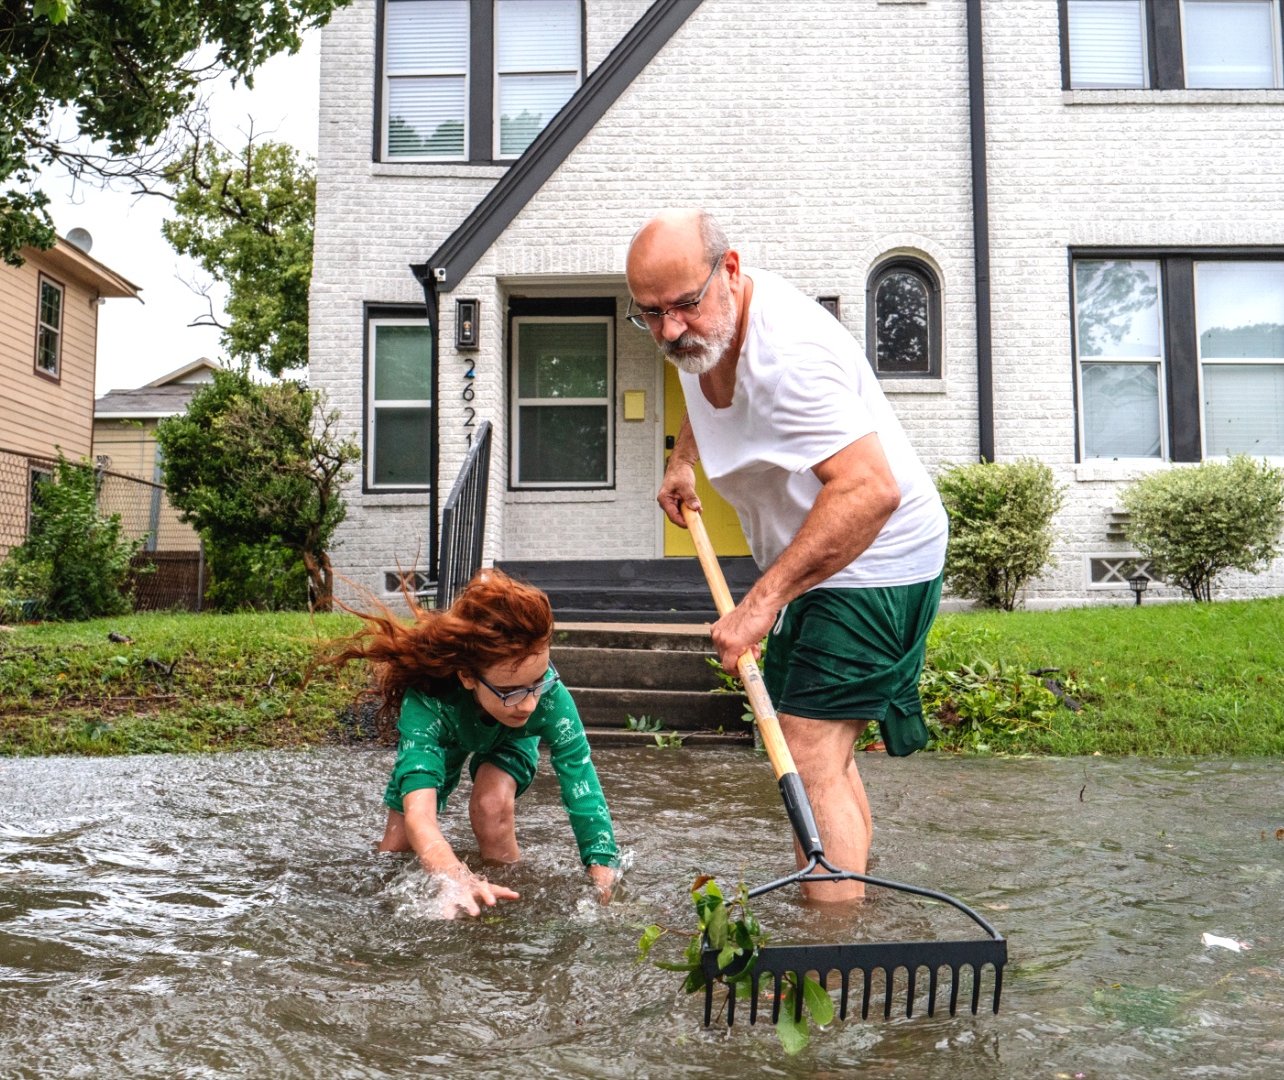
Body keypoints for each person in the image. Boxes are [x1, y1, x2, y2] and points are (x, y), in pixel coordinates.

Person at [626, 209, 949, 903]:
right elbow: (699, 378)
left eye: (683, 305)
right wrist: (686, 461)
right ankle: (853, 917)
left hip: (875, 558)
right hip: (819, 562)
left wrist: (759, 605)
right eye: (649, 314)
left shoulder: (791, 357)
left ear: (731, 270)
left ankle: (829, 960)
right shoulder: (701, 329)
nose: (670, 329)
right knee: (826, 756)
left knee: (804, 754)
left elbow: (870, 491)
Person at [328, 570, 619, 917]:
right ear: (467, 676)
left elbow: (582, 789)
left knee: (491, 805)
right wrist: (454, 876)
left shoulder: (548, 700)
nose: (528, 704)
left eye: (538, 681)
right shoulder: (428, 702)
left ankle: (504, 905)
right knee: (397, 847)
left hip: (512, 737)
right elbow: (419, 815)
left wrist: (603, 874)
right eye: (510, 691)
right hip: (449, 730)